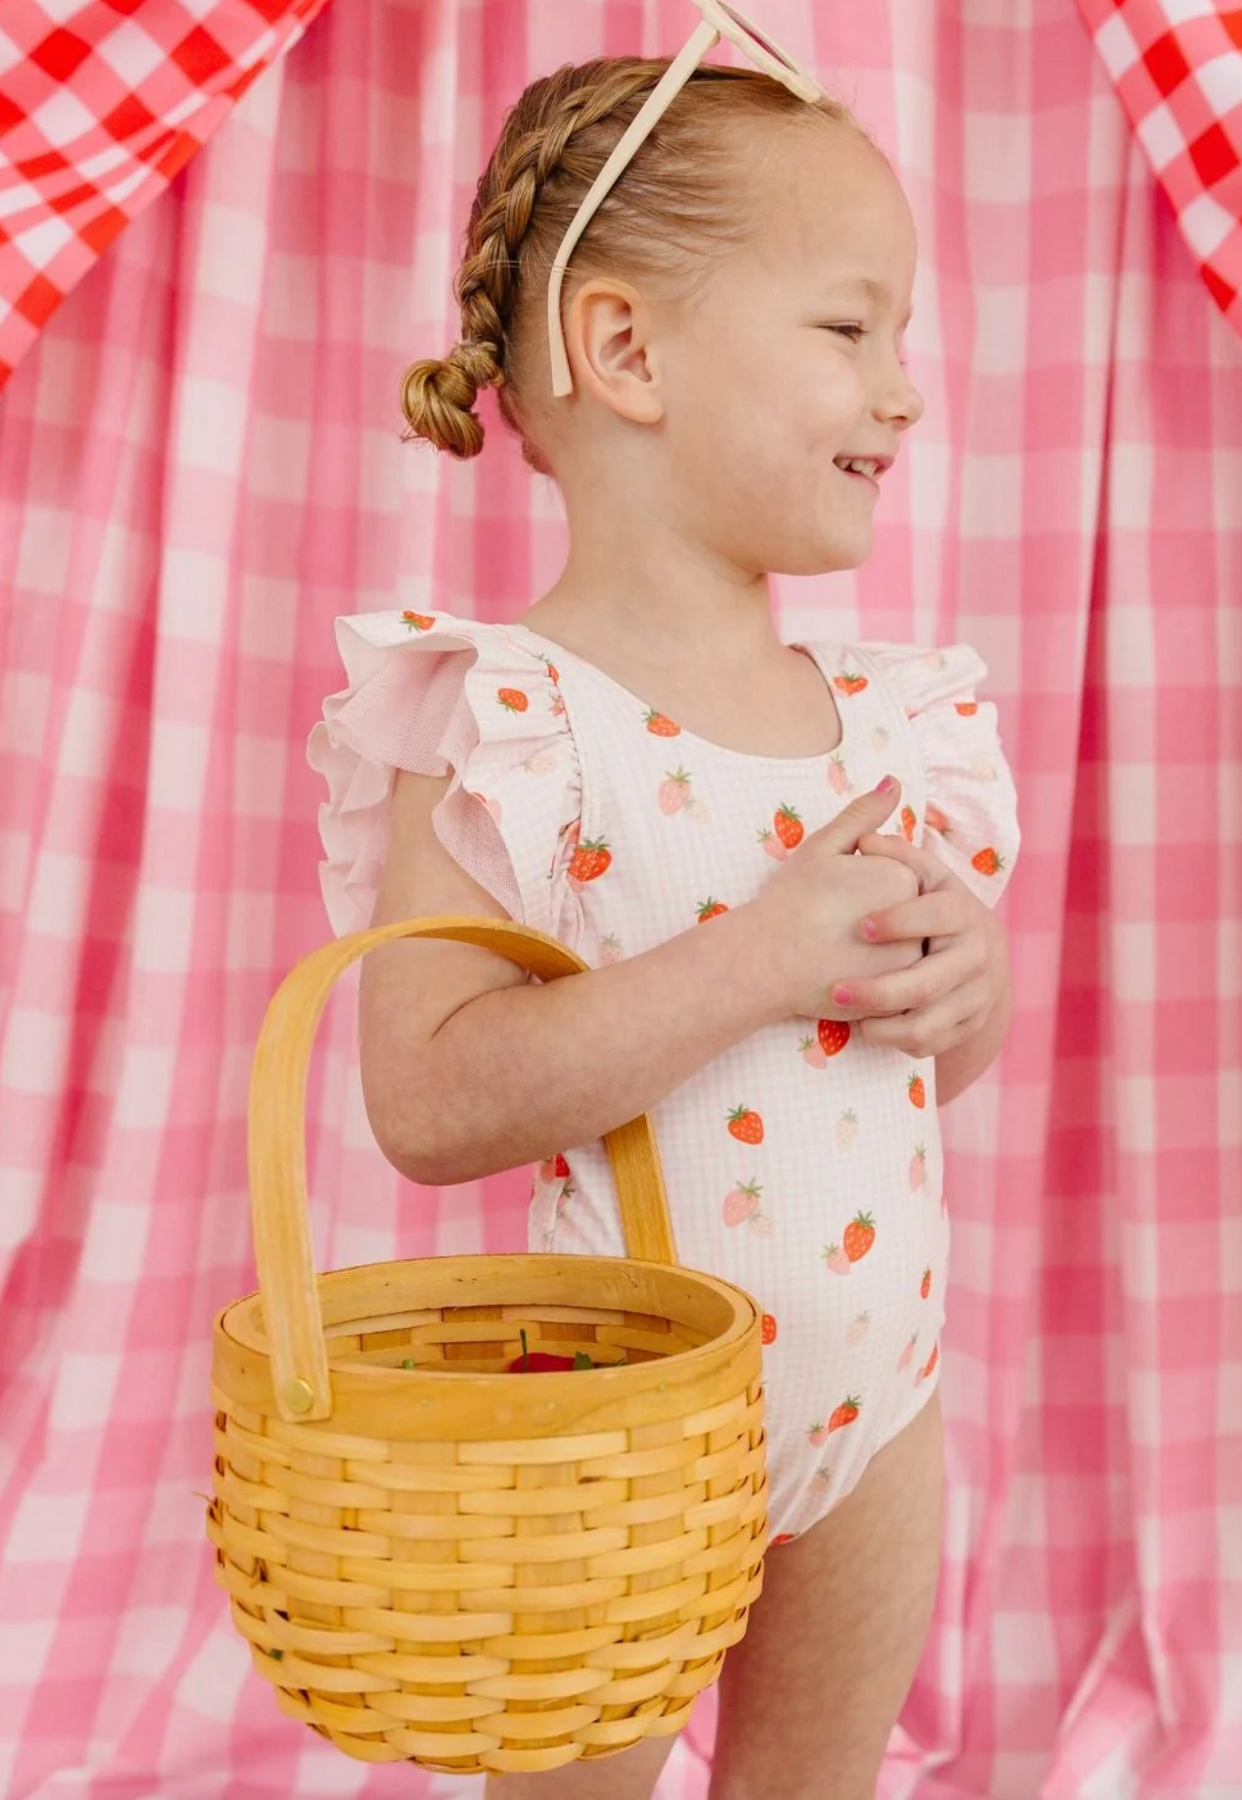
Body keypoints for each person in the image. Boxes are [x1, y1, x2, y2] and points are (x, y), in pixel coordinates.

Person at [307, 13, 1020, 1797]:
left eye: (902, 338)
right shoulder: (516, 725)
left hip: (880, 1401)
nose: (902, 391)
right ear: (625, 350)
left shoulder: (891, 721)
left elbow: (922, 1074)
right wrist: (757, 956)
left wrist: (964, 991)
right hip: (619, 1424)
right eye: (848, 330)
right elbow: (427, 1102)